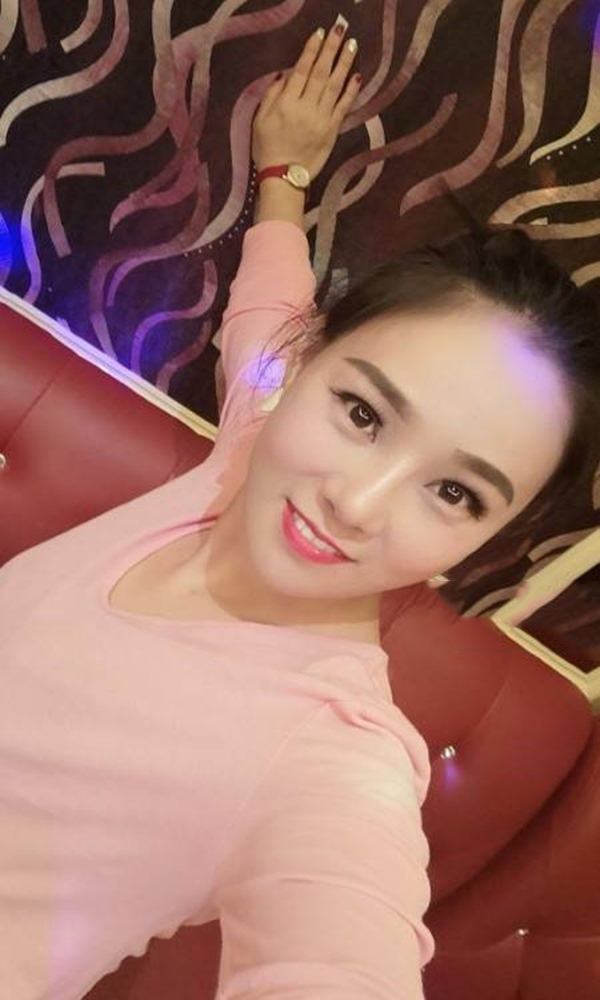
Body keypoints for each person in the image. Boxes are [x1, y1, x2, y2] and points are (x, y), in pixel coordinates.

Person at [1, 16, 599, 1000]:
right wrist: (286, 171)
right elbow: (270, 308)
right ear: (305, 367)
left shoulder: (333, 757)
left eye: (454, 491)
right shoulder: (256, 443)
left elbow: (341, 936)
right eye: (362, 412)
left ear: (488, 540)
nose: (356, 502)